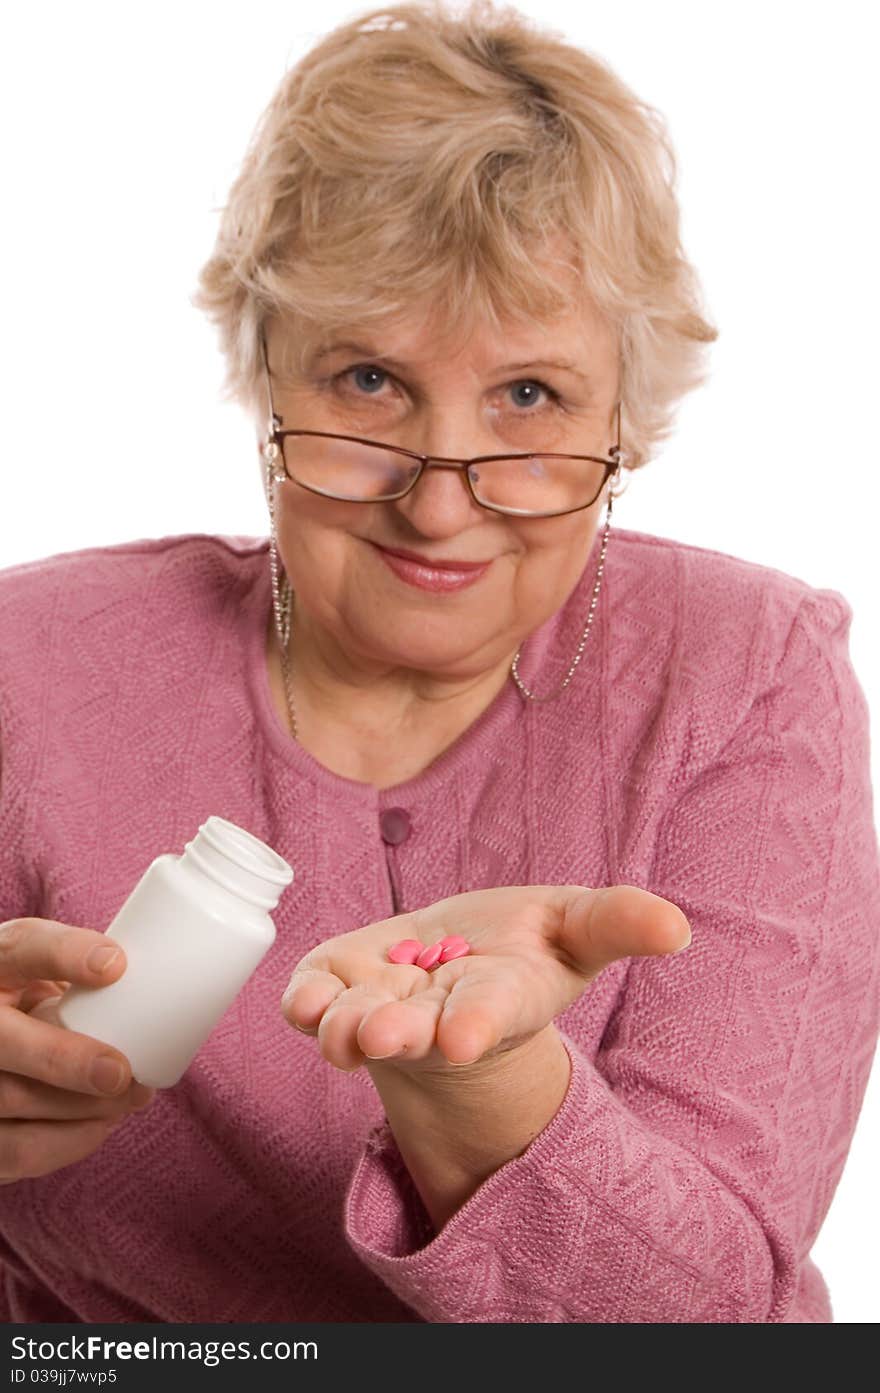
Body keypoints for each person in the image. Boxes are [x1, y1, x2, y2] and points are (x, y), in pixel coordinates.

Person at [0, 0, 877, 1325]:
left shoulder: (749, 671)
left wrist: (486, 1080)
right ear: (266, 377)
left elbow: (714, 1318)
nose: (440, 501)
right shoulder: (31, 659)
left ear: (625, 417)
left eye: (527, 398)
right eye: (367, 381)